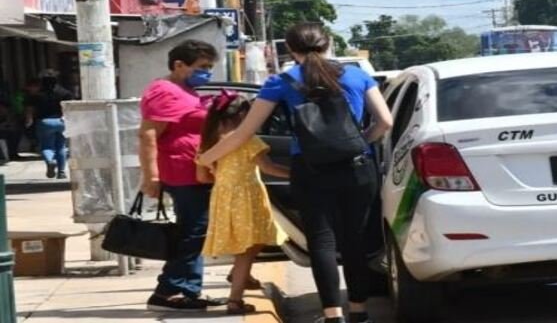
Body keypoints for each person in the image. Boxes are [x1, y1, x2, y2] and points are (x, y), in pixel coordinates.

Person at [198, 23, 393, 323]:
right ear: (327, 44)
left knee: (322, 243)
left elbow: (243, 133)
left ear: (290, 49)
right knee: (354, 240)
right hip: (357, 168)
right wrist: (356, 144)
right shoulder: (357, 75)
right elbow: (385, 123)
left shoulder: (281, 82)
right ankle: (359, 311)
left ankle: (332, 316)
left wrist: (204, 158)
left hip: (310, 170)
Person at [138, 39, 224, 312]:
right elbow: (148, 134)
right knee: (193, 232)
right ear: (179, 65)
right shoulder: (164, 91)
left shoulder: (186, 90)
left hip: (196, 172)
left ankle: (187, 289)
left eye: (210, 67)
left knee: (195, 231)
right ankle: (168, 291)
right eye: (202, 67)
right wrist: (151, 176)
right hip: (181, 172)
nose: (207, 73)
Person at [196, 91, 290, 315]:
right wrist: (294, 174)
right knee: (248, 248)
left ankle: (241, 275)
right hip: (247, 197)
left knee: (252, 242)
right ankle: (235, 300)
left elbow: (201, 177)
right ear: (242, 116)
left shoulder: (208, 142)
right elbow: (268, 168)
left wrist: (224, 182)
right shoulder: (247, 139)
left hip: (223, 197)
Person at [25, 69, 74, 179]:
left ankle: (50, 161)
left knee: (46, 146)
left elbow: (29, 109)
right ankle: (61, 172)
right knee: (61, 146)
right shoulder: (65, 93)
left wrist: (29, 120)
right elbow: (70, 107)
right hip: (62, 121)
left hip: (44, 122)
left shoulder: (37, 94)